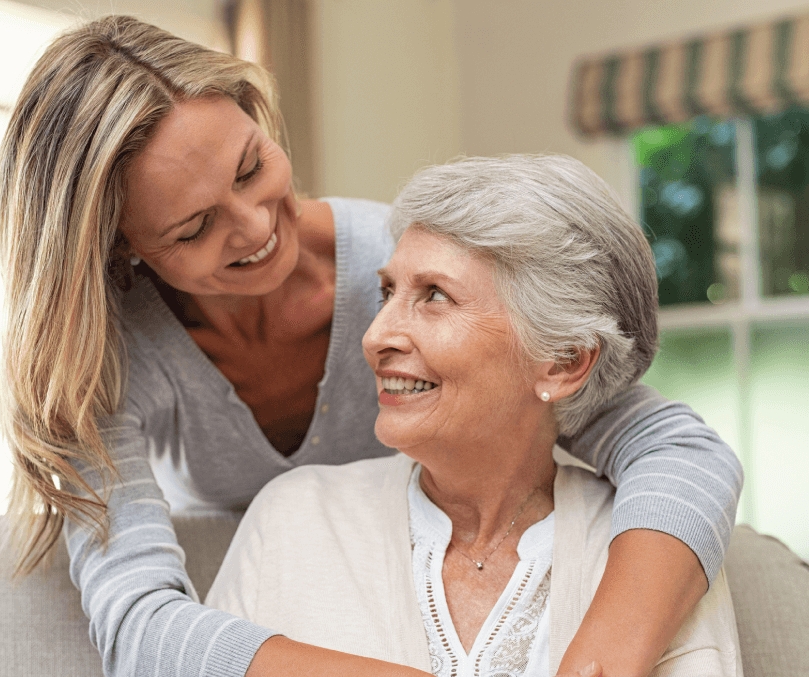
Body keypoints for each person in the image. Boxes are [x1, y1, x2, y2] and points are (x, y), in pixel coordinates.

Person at [0, 15, 742, 677]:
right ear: (123, 249)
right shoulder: (103, 358)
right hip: (261, 612)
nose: (255, 228)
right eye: (193, 227)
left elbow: (671, 445)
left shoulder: (401, 267)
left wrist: (600, 654)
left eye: (251, 168)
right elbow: (138, 628)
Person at [206, 155, 743, 676]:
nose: (374, 337)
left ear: (563, 361)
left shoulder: (655, 549)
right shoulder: (293, 518)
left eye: (435, 295)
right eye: (387, 292)